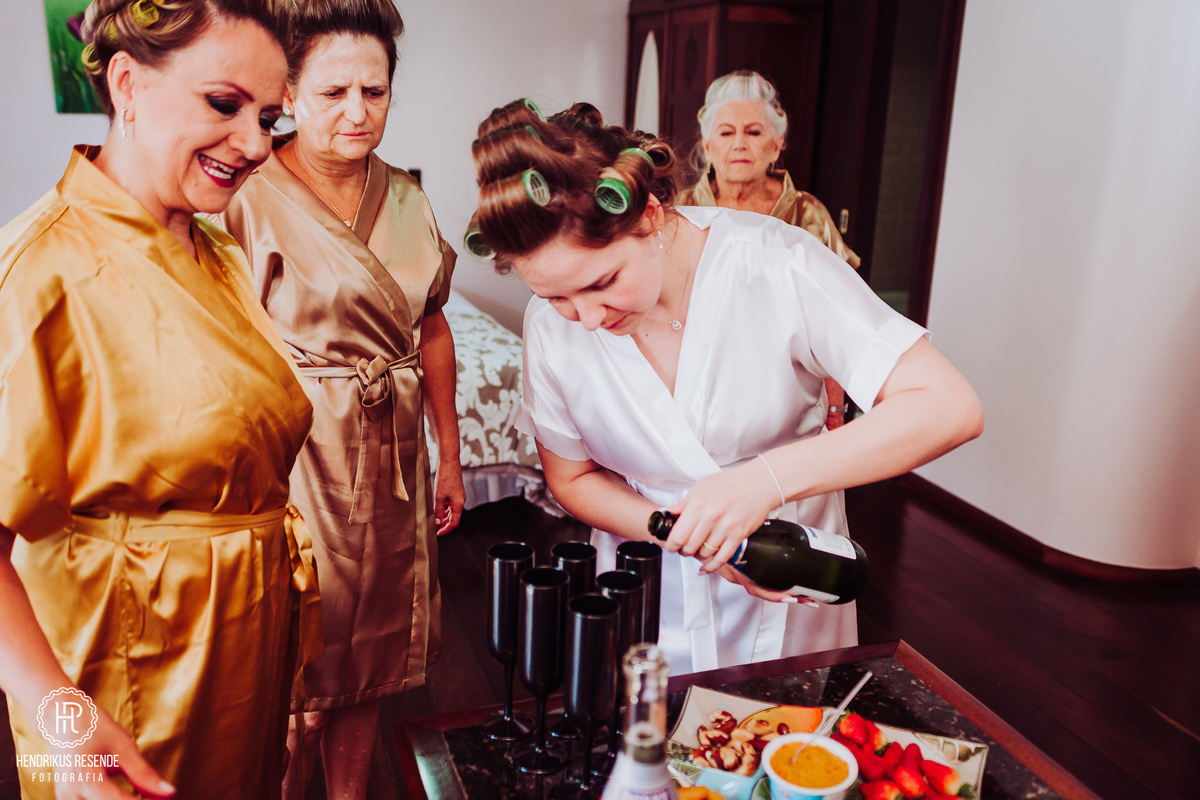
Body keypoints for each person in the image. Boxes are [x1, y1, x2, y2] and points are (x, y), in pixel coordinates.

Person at [468, 102, 983, 676]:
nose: (585, 318)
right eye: (556, 296)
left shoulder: (777, 263)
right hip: (645, 592)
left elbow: (948, 407)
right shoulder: (550, 328)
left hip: (791, 583)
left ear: (650, 217)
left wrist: (762, 483)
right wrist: (683, 534)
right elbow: (572, 478)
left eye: (602, 282)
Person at [0, 1, 318, 799]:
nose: (255, 144)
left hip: (243, 650)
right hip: (126, 680)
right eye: (223, 103)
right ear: (127, 83)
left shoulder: (216, 249)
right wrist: (64, 726)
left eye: (270, 117)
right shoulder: (40, 273)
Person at [214, 1, 463, 797]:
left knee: (373, 666)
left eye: (376, 91)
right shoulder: (246, 198)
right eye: (333, 93)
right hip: (298, 462)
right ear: (289, 92)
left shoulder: (408, 198)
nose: (358, 113)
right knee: (300, 677)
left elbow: (431, 332)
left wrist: (448, 457)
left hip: (391, 461)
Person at [678, 70, 859, 429]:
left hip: (792, 400)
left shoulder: (807, 215)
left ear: (776, 145)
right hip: (697, 393)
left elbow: (839, 323)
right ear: (708, 144)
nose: (739, 144)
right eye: (726, 132)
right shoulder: (679, 214)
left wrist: (836, 411)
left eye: (754, 132)